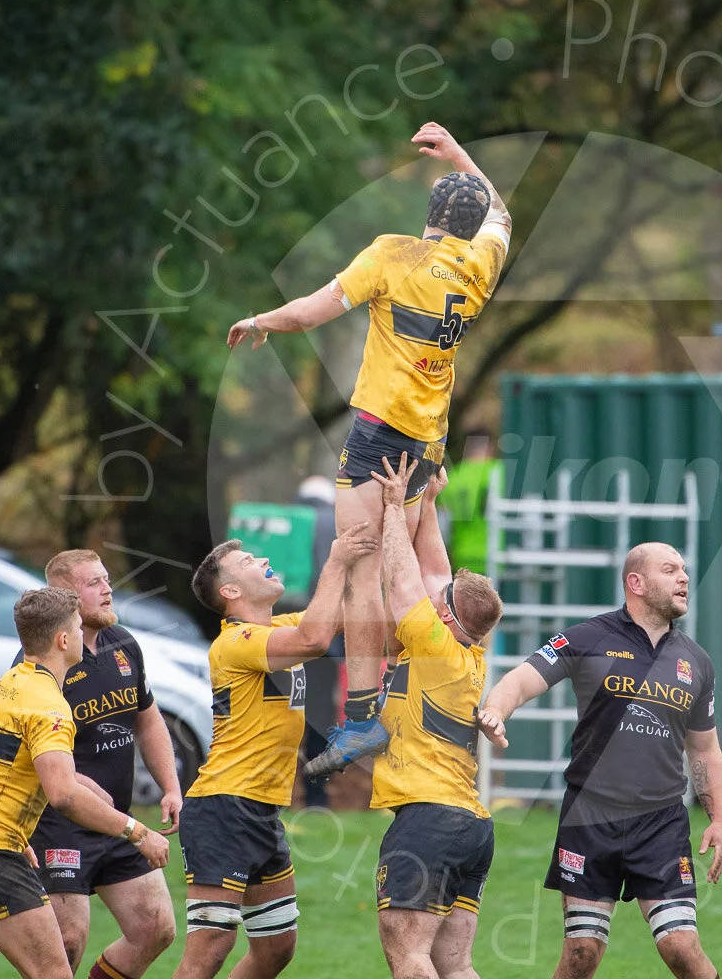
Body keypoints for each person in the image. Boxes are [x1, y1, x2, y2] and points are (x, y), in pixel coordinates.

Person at [226, 121, 513, 775]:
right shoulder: (480, 263)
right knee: (407, 563)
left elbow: (312, 311)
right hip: (428, 437)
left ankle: (360, 720)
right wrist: (460, 155)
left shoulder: (394, 253)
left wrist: (263, 321)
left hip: (380, 432)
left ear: (430, 216)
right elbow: (500, 209)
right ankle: (433, 682)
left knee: (359, 567)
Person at [477, 542, 722, 979]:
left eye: (684, 570)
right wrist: (496, 711)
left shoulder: (696, 661)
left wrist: (720, 819)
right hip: (590, 817)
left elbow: (704, 748)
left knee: (682, 948)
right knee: (582, 953)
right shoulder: (586, 638)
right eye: (670, 570)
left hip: (661, 822)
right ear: (636, 582)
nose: (684, 578)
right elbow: (518, 680)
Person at [0, 588, 170, 979]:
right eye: (78, 628)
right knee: (53, 973)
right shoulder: (50, 706)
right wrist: (136, 831)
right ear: (63, 640)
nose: (83, 635)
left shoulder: (7, 685)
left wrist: (18, 829)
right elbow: (64, 795)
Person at [172, 522, 375, 979]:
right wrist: (338, 559)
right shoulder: (236, 642)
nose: (263, 561)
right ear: (230, 590)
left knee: (277, 949)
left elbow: (351, 616)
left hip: (261, 810)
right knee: (210, 949)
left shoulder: (279, 625)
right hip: (224, 806)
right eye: (248, 562)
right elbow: (315, 640)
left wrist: (382, 544)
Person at [369, 453, 505, 979]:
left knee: (410, 956)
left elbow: (405, 579)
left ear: (445, 615)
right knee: (455, 964)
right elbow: (434, 574)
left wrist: (390, 506)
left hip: (428, 818)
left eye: (439, 602)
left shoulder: (432, 644)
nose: (433, 598)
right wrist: (427, 501)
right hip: (471, 824)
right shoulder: (465, 650)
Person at [24, 550, 182, 979]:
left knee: (155, 928)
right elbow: (36, 758)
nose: (108, 589)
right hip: (60, 821)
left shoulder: (124, 644)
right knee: (66, 944)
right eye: (94, 583)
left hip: (114, 820)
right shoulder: (42, 665)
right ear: (67, 597)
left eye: (107, 579)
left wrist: (170, 784)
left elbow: (147, 719)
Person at [295, 474, 344, 807]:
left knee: (277, 712)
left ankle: (271, 792)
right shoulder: (336, 524)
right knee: (319, 715)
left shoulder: (287, 523)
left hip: (276, 639)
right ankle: (316, 795)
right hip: (326, 641)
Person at [440, 427, 501, 574]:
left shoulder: (451, 479)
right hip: (499, 559)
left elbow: (442, 528)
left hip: (464, 559)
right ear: (490, 447)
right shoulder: (500, 472)